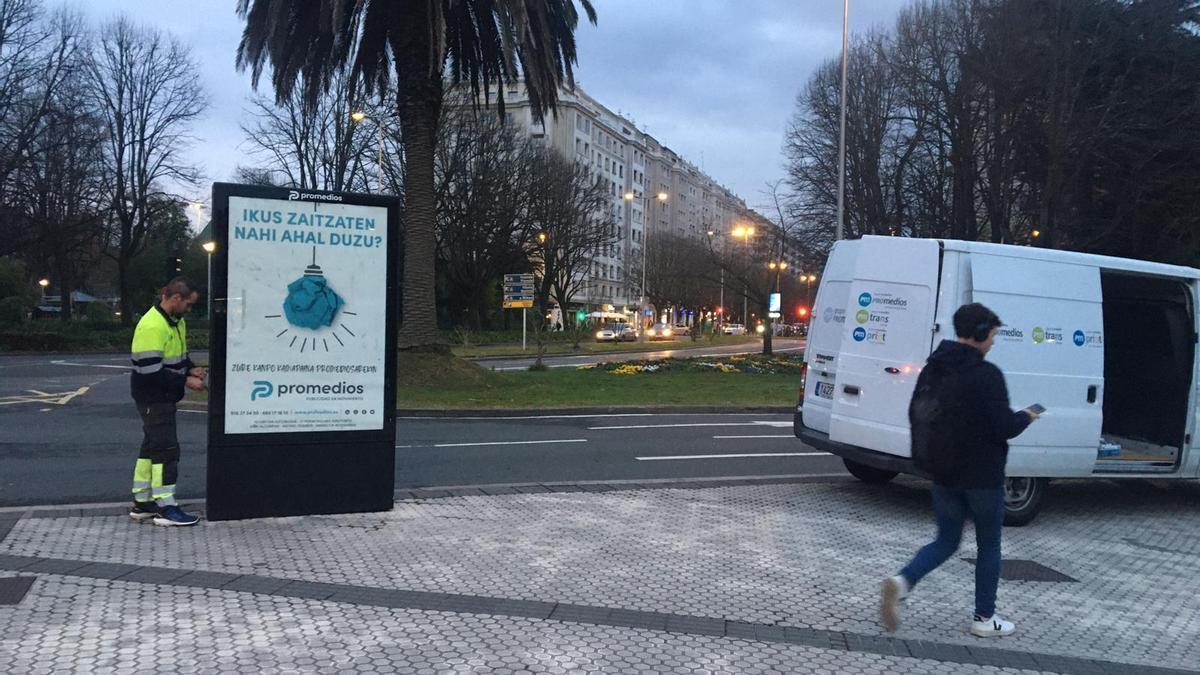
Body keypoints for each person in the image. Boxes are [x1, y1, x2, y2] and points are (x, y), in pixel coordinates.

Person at [880, 302, 1040, 637]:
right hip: (983, 477)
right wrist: (1027, 416)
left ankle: (903, 580)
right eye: (993, 334)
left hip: (944, 472)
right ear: (981, 333)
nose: (994, 341)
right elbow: (1003, 427)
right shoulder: (987, 375)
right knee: (989, 545)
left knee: (946, 540)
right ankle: (984, 619)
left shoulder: (933, 369)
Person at [128, 276, 206, 527]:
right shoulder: (152, 325)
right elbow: (149, 370)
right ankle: (166, 506)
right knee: (167, 450)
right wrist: (186, 380)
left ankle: (142, 502)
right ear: (175, 298)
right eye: (188, 304)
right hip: (153, 396)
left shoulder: (175, 322)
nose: (189, 309)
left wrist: (191, 368)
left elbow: (179, 356)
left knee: (151, 448)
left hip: (159, 397)